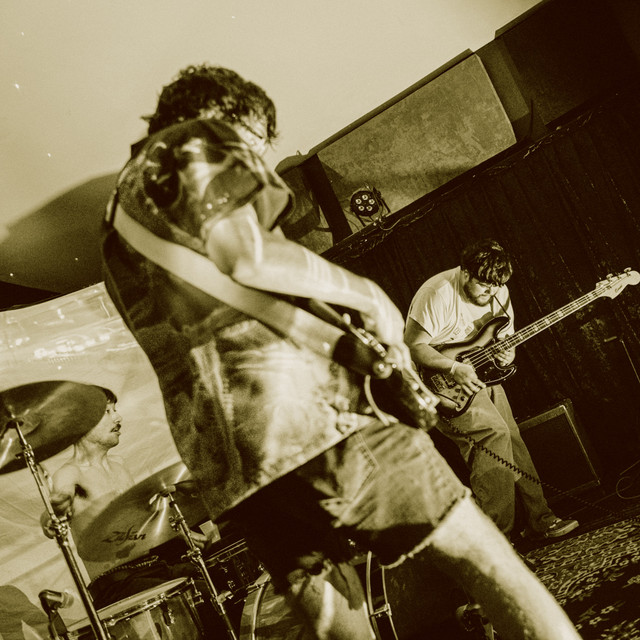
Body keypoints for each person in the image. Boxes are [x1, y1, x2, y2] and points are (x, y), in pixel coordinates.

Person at [100, 64, 582, 639]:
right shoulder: (194, 140)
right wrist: (368, 297)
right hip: (316, 422)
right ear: (229, 115)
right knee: (491, 564)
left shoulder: (117, 223)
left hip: (235, 471)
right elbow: (247, 254)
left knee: (342, 628)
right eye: (256, 143)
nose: (257, 160)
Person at [404, 238, 579, 542]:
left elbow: (504, 340)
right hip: (442, 383)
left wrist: (507, 355)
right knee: (493, 435)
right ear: (465, 273)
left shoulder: (499, 292)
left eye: (496, 287)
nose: (490, 294)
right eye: (484, 287)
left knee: (511, 437)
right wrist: (453, 369)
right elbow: (413, 346)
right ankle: (497, 538)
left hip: (483, 375)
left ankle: (540, 519)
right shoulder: (438, 292)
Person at [40, 388, 226, 633]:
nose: (118, 418)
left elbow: (141, 521)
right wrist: (53, 513)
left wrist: (180, 533)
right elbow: (53, 508)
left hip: (152, 567)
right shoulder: (69, 474)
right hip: (116, 583)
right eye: (107, 412)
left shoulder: (120, 464)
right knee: (202, 594)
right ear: (81, 423)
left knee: (218, 578)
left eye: (115, 410)